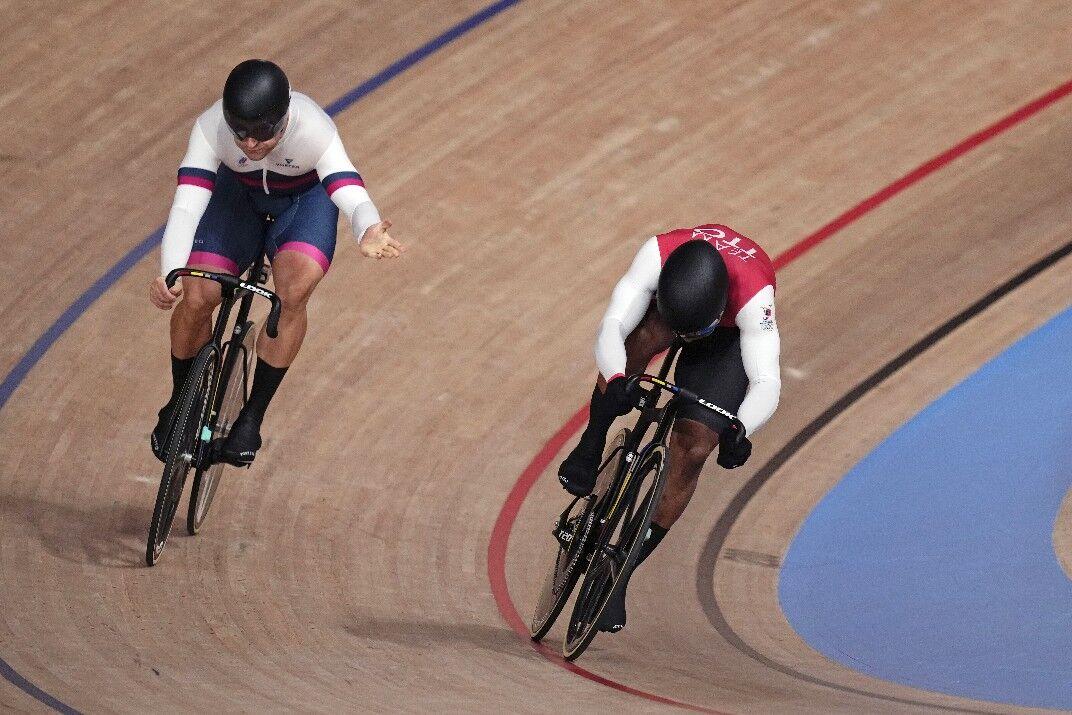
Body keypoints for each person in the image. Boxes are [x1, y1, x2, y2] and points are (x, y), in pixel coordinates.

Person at [148, 59, 404, 466]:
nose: (251, 144)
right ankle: (181, 401)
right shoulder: (210, 126)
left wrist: (368, 229)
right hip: (239, 199)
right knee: (197, 294)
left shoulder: (314, 128)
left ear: (284, 116)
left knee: (292, 292)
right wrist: (170, 271)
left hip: (304, 204)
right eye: (241, 133)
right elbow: (187, 205)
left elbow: (349, 190)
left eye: (263, 132)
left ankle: (252, 416)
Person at [558, 224, 781, 632]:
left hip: (725, 339)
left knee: (695, 447)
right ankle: (591, 443)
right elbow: (612, 326)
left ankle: (618, 575)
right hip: (668, 310)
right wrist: (619, 377)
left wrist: (740, 429)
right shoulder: (656, 255)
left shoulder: (754, 297)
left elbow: (766, 379)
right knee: (640, 339)